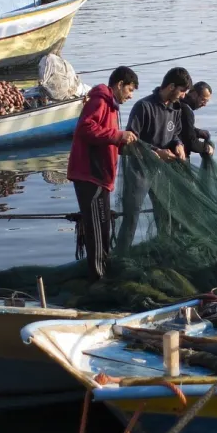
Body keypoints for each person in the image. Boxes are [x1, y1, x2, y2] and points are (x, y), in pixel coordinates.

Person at [66, 66, 138, 281]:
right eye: (130, 89)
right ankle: (98, 278)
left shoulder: (113, 106)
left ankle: (102, 271)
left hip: (102, 177)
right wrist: (118, 135)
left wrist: (121, 142)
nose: (130, 95)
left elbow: (106, 138)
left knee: (103, 226)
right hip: (90, 175)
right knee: (96, 230)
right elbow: (85, 128)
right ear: (119, 85)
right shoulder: (100, 100)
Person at [118, 67, 192, 246]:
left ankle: (165, 251)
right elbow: (131, 141)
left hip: (163, 171)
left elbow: (175, 134)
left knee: (165, 214)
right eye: (181, 91)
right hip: (139, 170)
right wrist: (156, 152)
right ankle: (121, 254)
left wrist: (178, 144)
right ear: (171, 86)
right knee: (131, 217)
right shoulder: (143, 106)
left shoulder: (176, 108)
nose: (183, 96)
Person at [180, 81, 214, 160]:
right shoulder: (186, 111)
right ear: (194, 94)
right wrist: (207, 148)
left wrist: (197, 132)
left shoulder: (179, 104)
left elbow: (182, 129)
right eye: (203, 100)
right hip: (178, 158)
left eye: (206, 101)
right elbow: (191, 143)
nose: (204, 104)